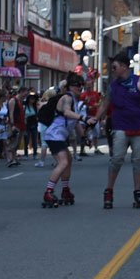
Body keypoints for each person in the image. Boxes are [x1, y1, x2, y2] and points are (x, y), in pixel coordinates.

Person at [94, 53, 140, 210]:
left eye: (114, 67)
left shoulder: (139, 81)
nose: (112, 70)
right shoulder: (113, 86)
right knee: (117, 159)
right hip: (120, 126)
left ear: (124, 67)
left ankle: (137, 191)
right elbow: (104, 104)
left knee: (138, 160)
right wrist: (95, 119)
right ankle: (109, 190)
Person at [41, 73, 84, 208]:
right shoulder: (67, 98)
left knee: (68, 160)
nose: (80, 88)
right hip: (54, 135)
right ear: (69, 87)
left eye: (81, 85)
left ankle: (65, 190)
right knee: (63, 162)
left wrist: (84, 136)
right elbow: (66, 112)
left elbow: (75, 122)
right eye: (77, 85)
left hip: (59, 136)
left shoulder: (74, 101)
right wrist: (84, 118)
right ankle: (48, 191)